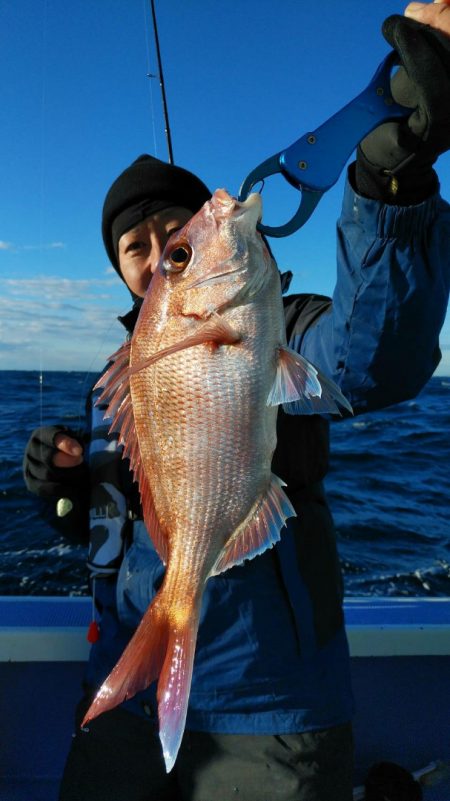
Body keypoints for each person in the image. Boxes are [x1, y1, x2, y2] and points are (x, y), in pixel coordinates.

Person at [23, 8, 450, 801]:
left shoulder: (284, 327)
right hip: (127, 689)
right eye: (137, 247)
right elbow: (121, 525)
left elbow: (370, 362)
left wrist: (391, 175)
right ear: (119, 268)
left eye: (172, 240)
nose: (157, 258)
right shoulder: (113, 384)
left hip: (272, 706)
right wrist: (63, 495)